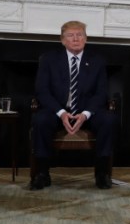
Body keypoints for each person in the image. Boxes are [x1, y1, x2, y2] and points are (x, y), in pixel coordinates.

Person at [30, 21, 115, 191]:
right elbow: (42, 91)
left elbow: (101, 93)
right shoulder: (49, 59)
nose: (76, 38)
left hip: (87, 111)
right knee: (40, 119)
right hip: (57, 111)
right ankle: (42, 173)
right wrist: (61, 113)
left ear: (86, 38)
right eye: (71, 35)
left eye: (80, 34)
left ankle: (102, 173)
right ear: (62, 40)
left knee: (108, 120)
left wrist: (85, 114)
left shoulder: (97, 61)